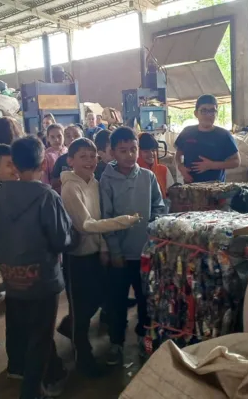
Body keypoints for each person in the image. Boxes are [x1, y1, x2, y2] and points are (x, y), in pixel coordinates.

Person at [0, 136, 76, 399]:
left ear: (14, 163)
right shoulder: (47, 196)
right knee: (40, 338)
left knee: (29, 332)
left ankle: (41, 378)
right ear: (42, 161)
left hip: (12, 277)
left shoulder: (0, 194)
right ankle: (32, 392)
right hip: (42, 280)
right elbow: (61, 239)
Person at [57, 138, 139, 377]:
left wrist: (104, 247)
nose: (90, 161)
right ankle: (83, 358)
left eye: (92, 156)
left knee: (99, 298)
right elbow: (86, 225)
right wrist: (123, 221)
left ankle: (69, 326)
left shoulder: (94, 182)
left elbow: (100, 216)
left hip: (96, 254)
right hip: (77, 258)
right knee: (82, 310)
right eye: (83, 156)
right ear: (70, 160)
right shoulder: (70, 187)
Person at [100, 127, 166, 366]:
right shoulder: (106, 181)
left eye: (133, 150)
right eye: (123, 150)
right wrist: (115, 251)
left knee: (145, 298)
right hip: (121, 256)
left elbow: (159, 206)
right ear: (113, 152)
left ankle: (142, 337)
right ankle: (116, 343)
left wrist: (152, 235)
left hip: (144, 252)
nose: (129, 155)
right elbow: (106, 218)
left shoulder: (148, 177)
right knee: (117, 301)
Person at [174, 95, 240, 183]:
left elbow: (236, 161)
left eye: (212, 111)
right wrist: (180, 167)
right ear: (196, 113)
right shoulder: (187, 132)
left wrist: (212, 165)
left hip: (215, 190)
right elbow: (178, 155)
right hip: (190, 188)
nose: (208, 115)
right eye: (203, 111)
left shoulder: (224, 135)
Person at [137, 132, 174, 200]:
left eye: (153, 150)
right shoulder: (133, 173)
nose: (151, 154)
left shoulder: (164, 170)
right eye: (146, 151)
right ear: (138, 152)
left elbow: (171, 195)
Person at [50, 124, 83, 194]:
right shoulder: (61, 160)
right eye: (68, 136)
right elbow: (53, 182)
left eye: (76, 135)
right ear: (64, 140)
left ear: (83, 138)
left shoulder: (89, 159)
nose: (72, 138)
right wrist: (65, 177)